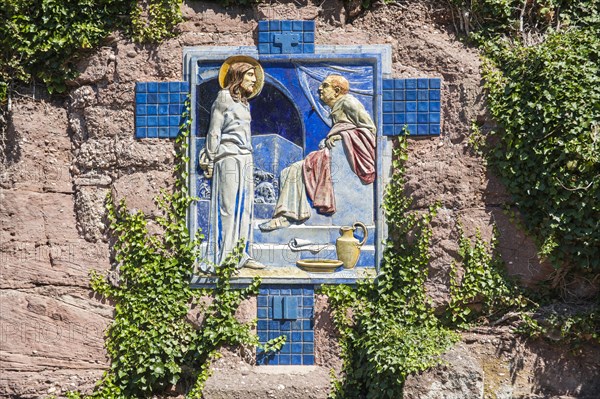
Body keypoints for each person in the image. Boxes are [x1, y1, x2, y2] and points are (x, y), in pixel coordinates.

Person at [259, 74, 376, 232]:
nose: (320, 89)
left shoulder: (348, 102)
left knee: (295, 169)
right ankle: (291, 214)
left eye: (325, 85)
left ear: (336, 91)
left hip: (337, 155)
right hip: (329, 154)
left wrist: (342, 135)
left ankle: (285, 217)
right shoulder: (338, 107)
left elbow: (370, 130)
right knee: (288, 171)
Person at [200, 56, 265, 270]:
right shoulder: (223, 97)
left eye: (255, 77)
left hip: (246, 157)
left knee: (245, 207)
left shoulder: (244, 104)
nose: (254, 81)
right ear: (237, 76)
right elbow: (214, 130)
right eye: (249, 76)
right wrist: (209, 157)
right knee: (227, 207)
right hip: (227, 156)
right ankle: (225, 256)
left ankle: (242, 254)